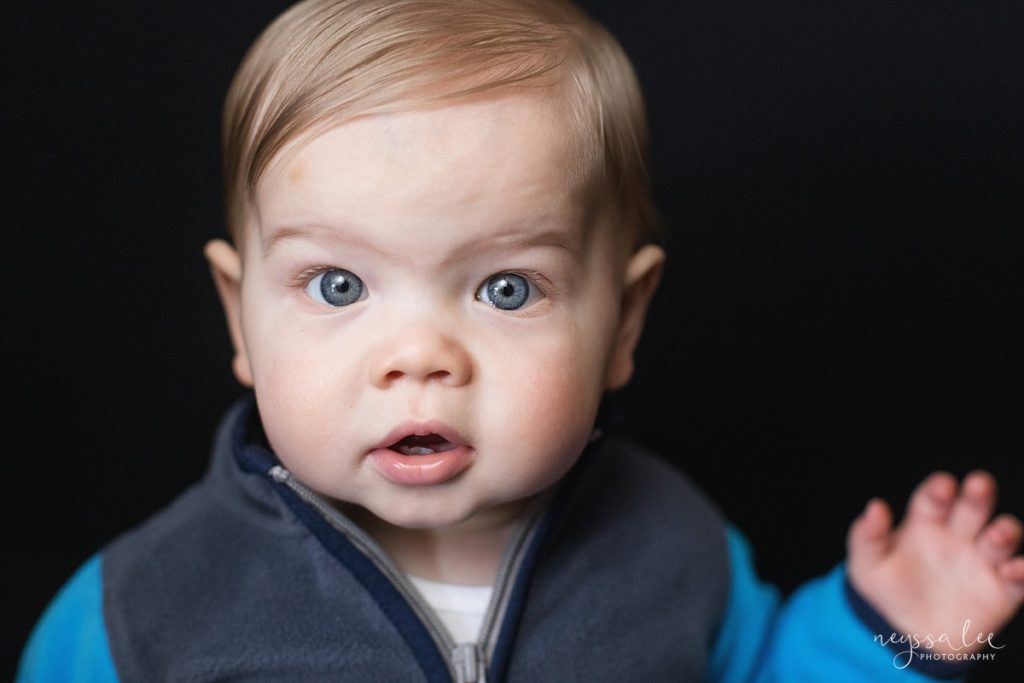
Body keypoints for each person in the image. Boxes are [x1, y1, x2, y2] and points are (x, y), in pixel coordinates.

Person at [17, 0, 1024, 680]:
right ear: (239, 315)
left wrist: (885, 632)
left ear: (622, 321)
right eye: (337, 284)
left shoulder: (676, 550)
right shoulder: (136, 611)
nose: (418, 356)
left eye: (505, 288)